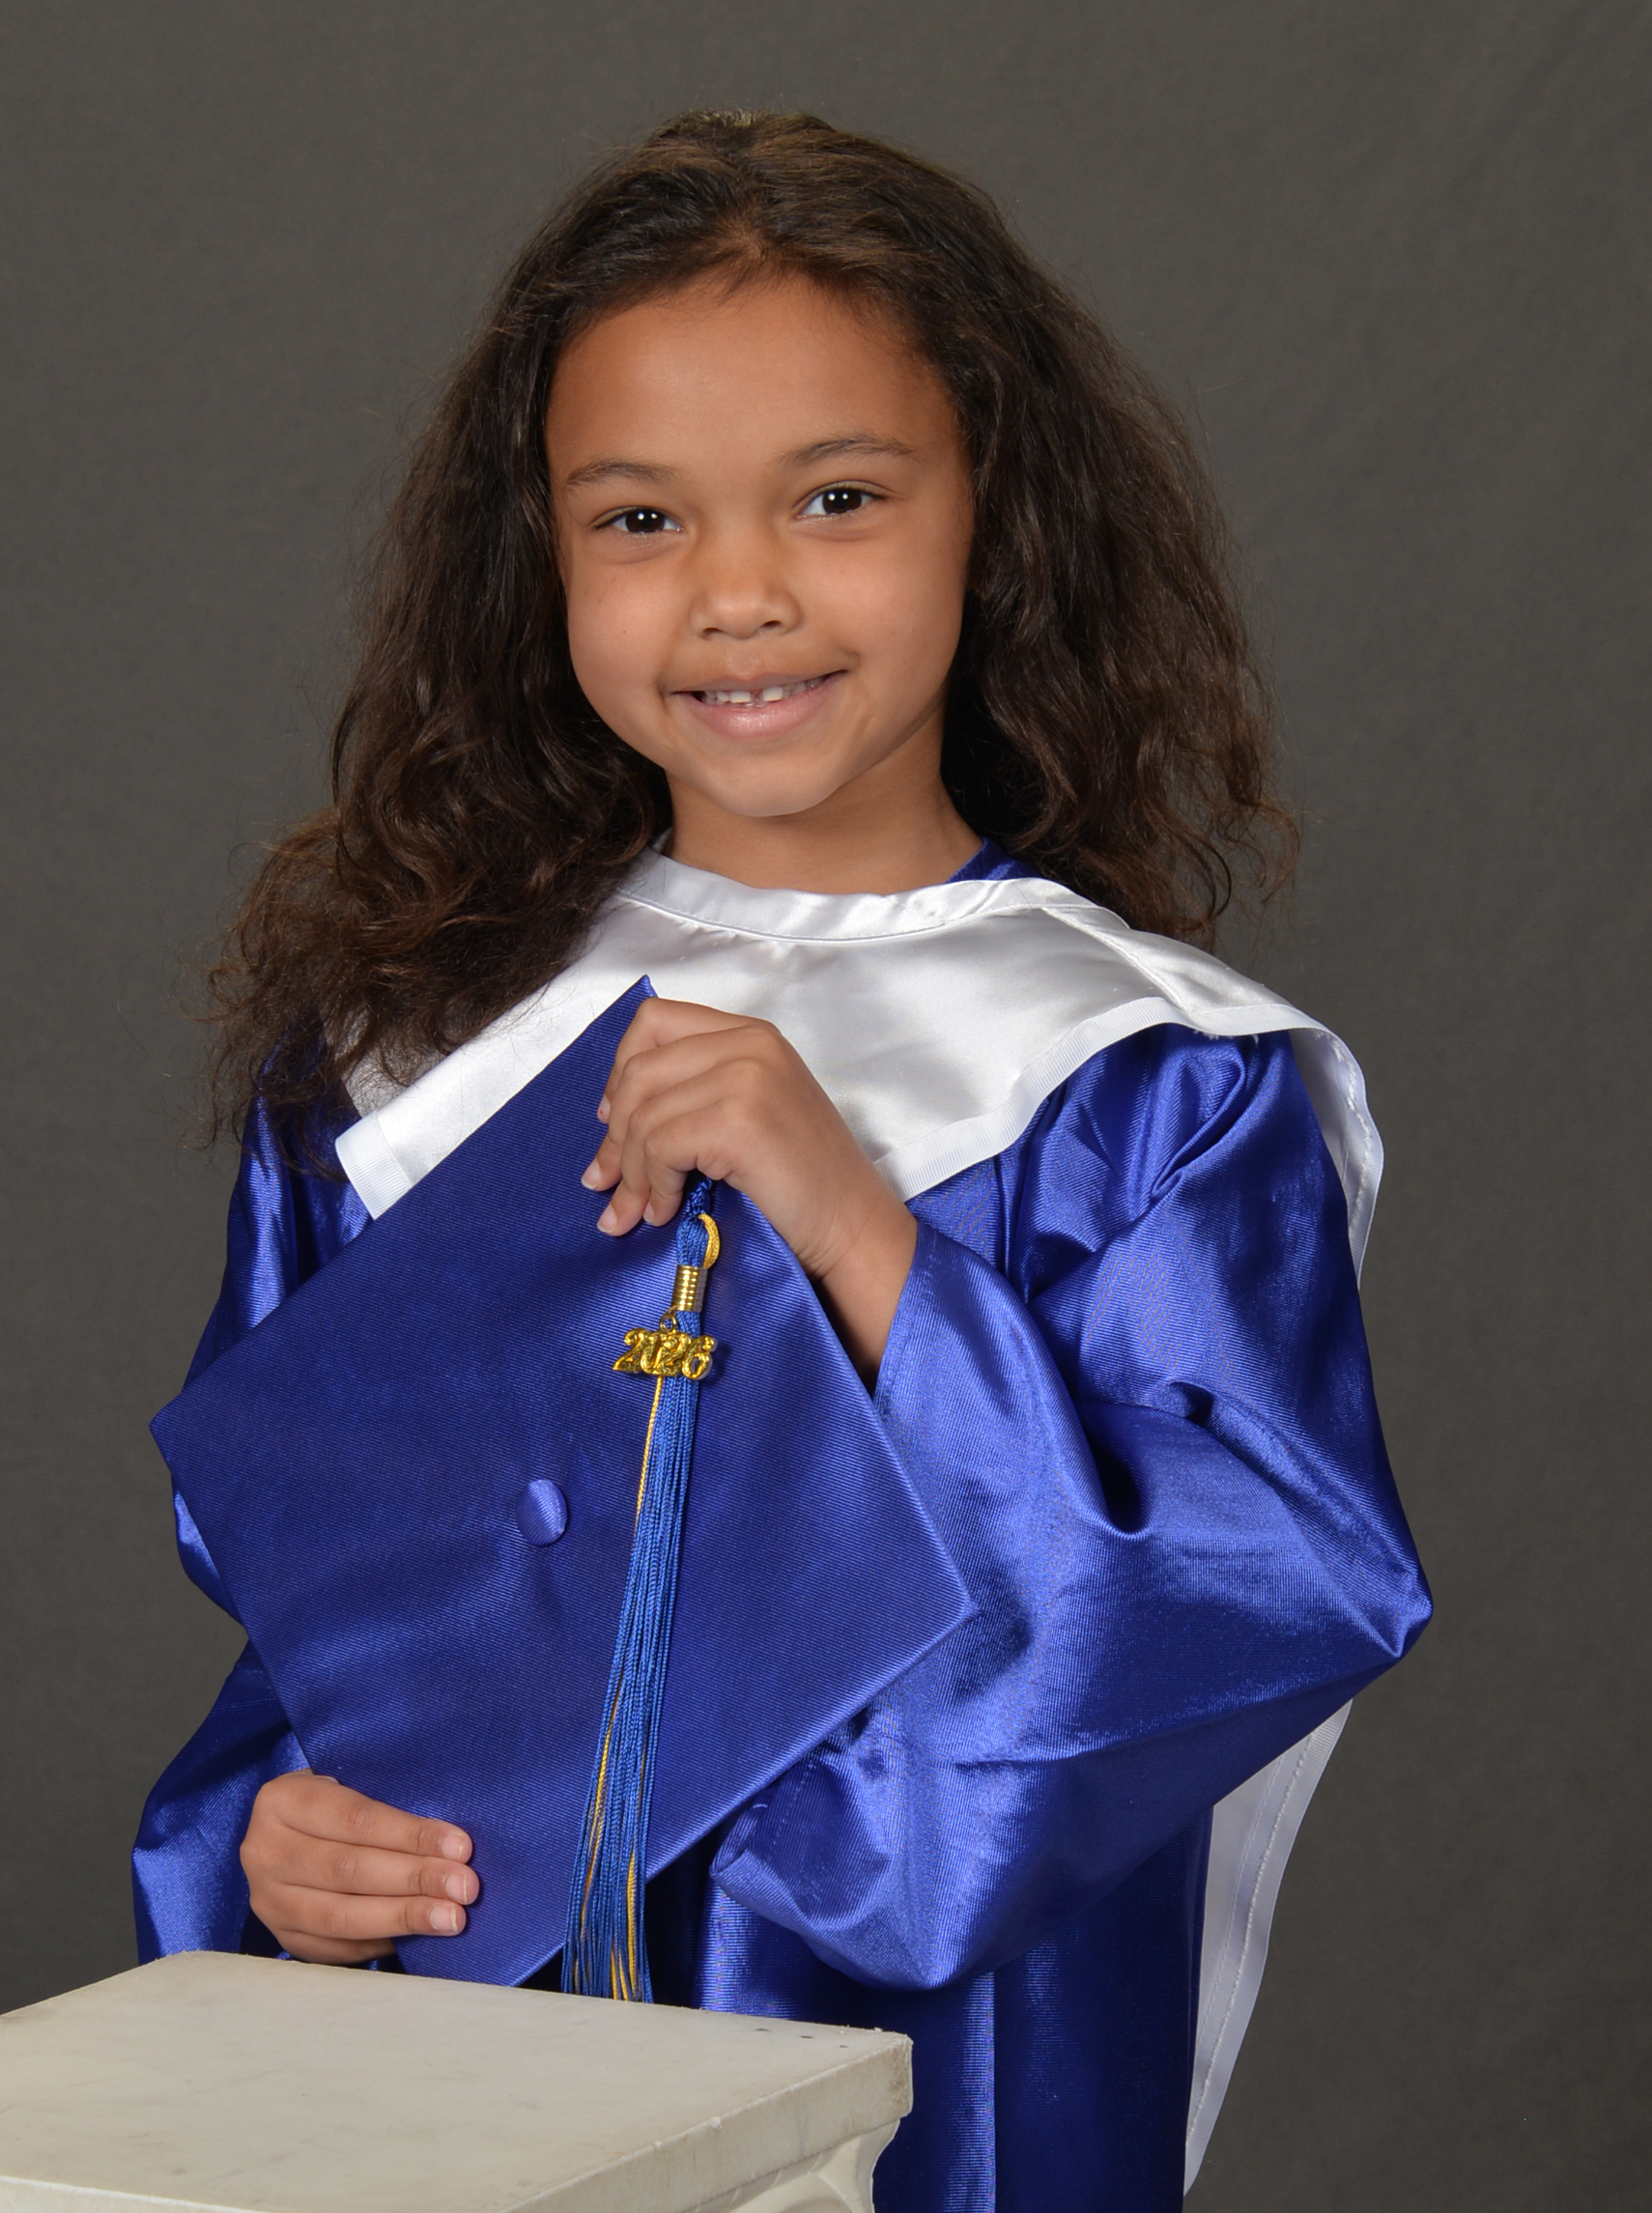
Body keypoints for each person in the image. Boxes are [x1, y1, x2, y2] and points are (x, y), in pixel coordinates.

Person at [134, 112, 1430, 2212]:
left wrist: (842, 1216)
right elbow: (321, 1631)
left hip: (912, 2096)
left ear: (990, 515)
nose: (738, 594)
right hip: (453, 2102)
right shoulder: (409, 1067)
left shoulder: (1134, 1085)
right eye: (639, 518)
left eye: (836, 498)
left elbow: (1241, 1591)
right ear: (542, 557)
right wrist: (275, 1847)